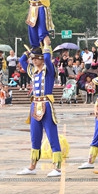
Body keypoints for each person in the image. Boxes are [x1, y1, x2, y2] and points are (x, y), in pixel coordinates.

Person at [17, 46, 63, 177]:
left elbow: (48, 58)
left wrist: (46, 46)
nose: (34, 60)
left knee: (52, 136)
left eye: (37, 58)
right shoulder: (33, 71)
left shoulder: (48, 70)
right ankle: (32, 167)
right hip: (34, 105)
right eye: (33, 58)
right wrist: (30, 50)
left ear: (42, 58)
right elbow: (21, 60)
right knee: (35, 137)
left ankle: (57, 168)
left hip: (46, 105)